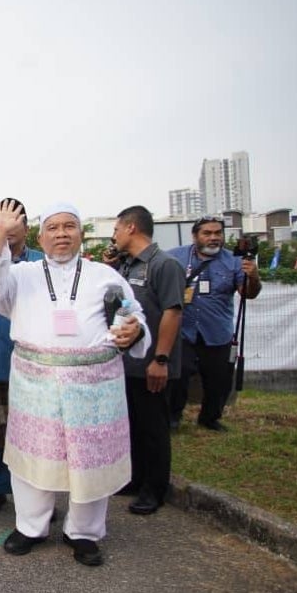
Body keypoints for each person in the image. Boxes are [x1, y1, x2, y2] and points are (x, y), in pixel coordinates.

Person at [0, 200, 149, 566]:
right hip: (36, 384)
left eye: (69, 226)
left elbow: (133, 317)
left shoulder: (105, 275)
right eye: (52, 228)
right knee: (34, 458)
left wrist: (135, 330)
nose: (61, 234)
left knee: (90, 460)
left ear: (81, 234)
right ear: (40, 236)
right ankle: (31, 526)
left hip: (94, 386)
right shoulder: (22, 275)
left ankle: (83, 532)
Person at [109, 205, 185, 515]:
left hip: (153, 364)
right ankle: (137, 479)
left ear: (130, 228)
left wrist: (161, 360)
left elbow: (173, 311)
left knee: (154, 428)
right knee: (134, 426)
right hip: (128, 364)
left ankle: (155, 489)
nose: (113, 235)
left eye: (116, 229)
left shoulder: (164, 265)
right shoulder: (127, 266)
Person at [0, 199, 44, 517]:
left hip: (36, 369)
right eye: (3, 221)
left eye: (16, 221)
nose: (10, 227)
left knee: (36, 435)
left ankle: (36, 496)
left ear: (27, 228)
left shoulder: (43, 264)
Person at [167, 215, 261, 431]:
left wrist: (254, 277)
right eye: (207, 233)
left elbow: (248, 293)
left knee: (219, 379)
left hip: (217, 331)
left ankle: (210, 418)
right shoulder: (175, 257)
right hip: (183, 330)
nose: (213, 238)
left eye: (218, 233)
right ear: (195, 236)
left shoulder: (235, 261)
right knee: (178, 374)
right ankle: (173, 417)